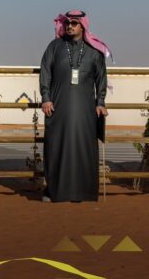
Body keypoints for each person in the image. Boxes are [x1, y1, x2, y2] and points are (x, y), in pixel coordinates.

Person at [40, 10, 110, 202]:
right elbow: (45, 71)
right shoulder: (54, 47)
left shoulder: (94, 51)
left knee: (83, 147)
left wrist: (100, 102)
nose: (69, 26)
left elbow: (101, 79)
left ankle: (82, 192)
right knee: (56, 147)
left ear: (83, 26)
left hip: (85, 110)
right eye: (67, 23)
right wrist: (46, 97)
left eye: (74, 23)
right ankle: (55, 191)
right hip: (58, 108)